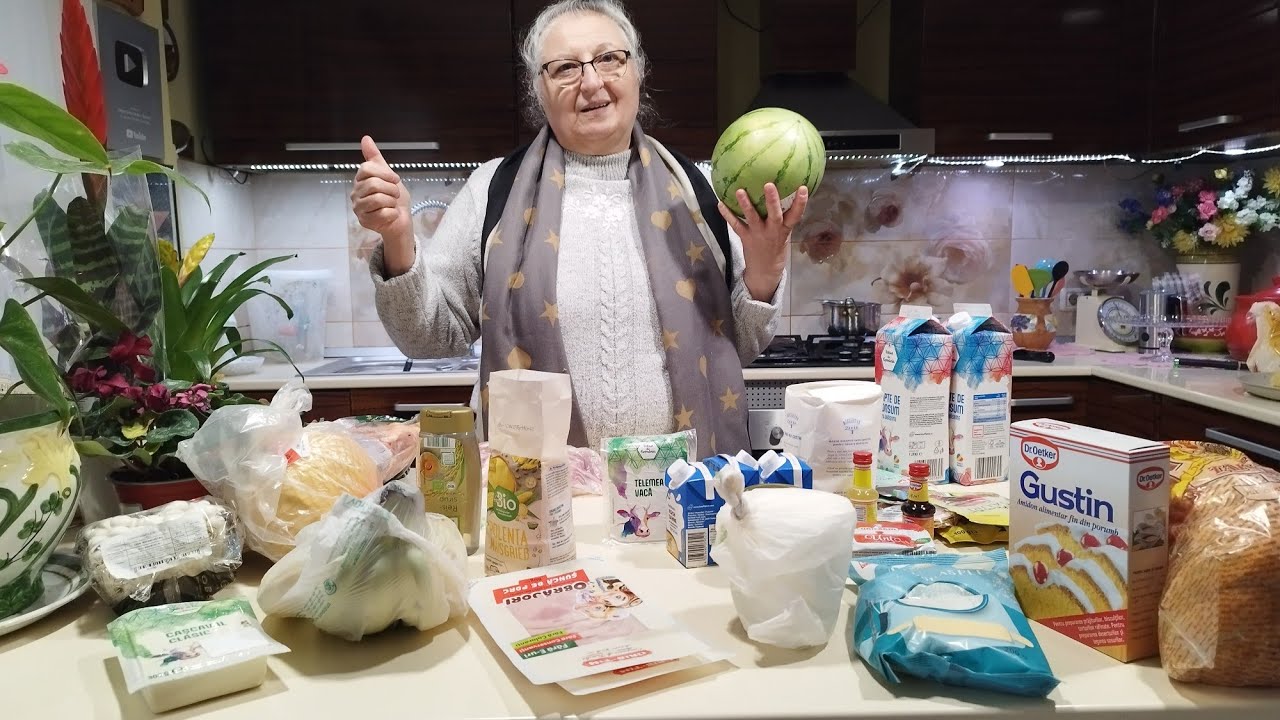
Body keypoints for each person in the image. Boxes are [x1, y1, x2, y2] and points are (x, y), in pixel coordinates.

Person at [352, 0, 807, 452]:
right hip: (535, 504)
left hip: (681, 500)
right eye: (566, 68)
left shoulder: (699, 191)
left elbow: (739, 348)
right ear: (539, 89)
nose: (592, 82)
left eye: (610, 58)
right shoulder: (494, 189)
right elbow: (429, 338)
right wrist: (398, 240)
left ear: (638, 71)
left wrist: (764, 272)